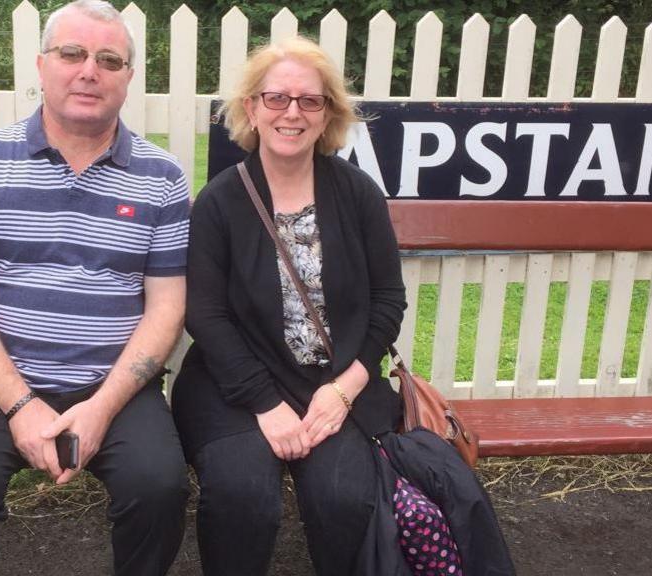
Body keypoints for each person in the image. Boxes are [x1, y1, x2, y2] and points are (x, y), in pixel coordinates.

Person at [0, 2, 190, 575]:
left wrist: (100, 409)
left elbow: (166, 308)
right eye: (72, 53)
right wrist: (20, 406)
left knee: (160, 488)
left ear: (127, 79)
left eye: (108, 59)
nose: (89, 70)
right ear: (42, 67)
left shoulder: (161, 177)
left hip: (113, 382)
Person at [172, 36, 410, 574]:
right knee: (242, 495)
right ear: (251, 108)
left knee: (345, 497)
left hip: (334, 381)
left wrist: (345, 389)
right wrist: (265, 404)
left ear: (328, 115)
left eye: (310, 100)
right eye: (276, 98)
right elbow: (205, 314)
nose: (292, 113)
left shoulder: (358, 194)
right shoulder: (221, 201)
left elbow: (388, 299)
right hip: (234, 385)